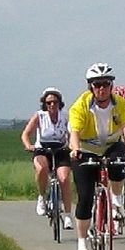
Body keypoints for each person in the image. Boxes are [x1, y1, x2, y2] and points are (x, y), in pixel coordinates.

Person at [68, 63, 125, 250]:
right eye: (97, 84)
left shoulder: (121, 104)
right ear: (90, 87)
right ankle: (82, 245)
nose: (102, 88)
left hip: (111, 145)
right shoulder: (80, 105)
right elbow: (74, 133)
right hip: (85, 149)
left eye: (105, 84)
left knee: (119, 165)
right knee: (85, 198)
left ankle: (116, 201)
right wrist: (74, 149)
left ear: (111, 85)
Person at [21, 87, 73, 229]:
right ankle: (42, 197)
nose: (52, 105)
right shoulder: (39, 116)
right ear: (44, 104)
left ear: (59, 103)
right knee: (42, 169)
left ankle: (68, 215)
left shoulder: (66, 116)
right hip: (42, 149)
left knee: (64, 178)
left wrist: (74, 146)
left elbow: (72, 133)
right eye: (49, 102)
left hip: (61, 149)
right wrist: (28, 145)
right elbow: (25, 133)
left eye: (55, 102)